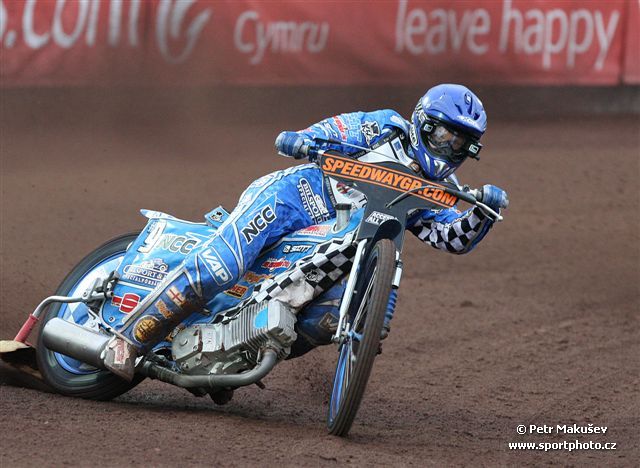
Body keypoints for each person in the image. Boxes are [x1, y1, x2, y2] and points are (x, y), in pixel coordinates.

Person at [103, 83, 509, 380]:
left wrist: (483, 213)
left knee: (328, 317)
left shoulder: (439, 190)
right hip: (294, 198)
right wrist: (305, 140)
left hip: (336, 242)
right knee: (220, 267)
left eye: (460, 144)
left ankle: (234, 357)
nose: (448, 148)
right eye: (443, 135)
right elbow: (338, 130)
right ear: (423, 122)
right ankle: (129, 338)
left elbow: (450, 237)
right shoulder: (385, 128)